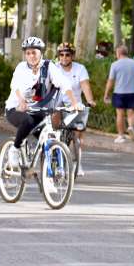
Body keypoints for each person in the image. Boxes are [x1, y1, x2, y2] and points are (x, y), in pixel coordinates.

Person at [4, 37, 82, 169]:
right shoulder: (21, 67)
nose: (31, 56)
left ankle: (50, 177)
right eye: (28, 53)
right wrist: (22, 101)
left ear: (41, 53)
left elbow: (63, 83)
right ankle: (15, 149)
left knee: (49, 140)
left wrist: (74, 102)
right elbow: (15, 85)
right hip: (16, 109)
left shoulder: (48, 66)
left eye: (34, 52)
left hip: (38, 111)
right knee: (28, 122)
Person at [55, 42, 95, 176]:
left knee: (77, 136)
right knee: (55, 134)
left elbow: (85, 87)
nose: (64, 57)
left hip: (75, 105)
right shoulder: (54, 68)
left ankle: (77, 163)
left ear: (72, 56)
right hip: (57, 105)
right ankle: (57, 160)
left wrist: (90, 101)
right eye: (61, 55)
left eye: (67, 55)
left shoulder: (80, 69)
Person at [103, 45, 134, 143]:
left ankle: (121, 136)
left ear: (119, 53)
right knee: (131, 112)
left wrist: (106, 93)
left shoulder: (115, 65)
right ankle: (131, 126)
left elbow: (111, 80)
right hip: (132, 92)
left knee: (120, 114)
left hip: (119, 93)